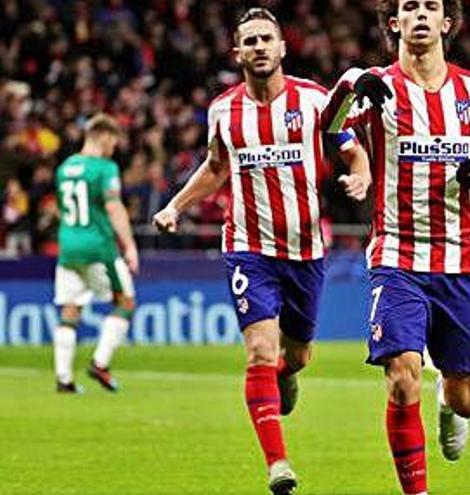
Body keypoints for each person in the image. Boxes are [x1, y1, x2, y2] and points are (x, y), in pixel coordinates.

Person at [152, 8, 369, 495]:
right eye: (249, 41)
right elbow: (215, 167)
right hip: (249, 248)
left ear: (282, 47)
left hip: (307, 250)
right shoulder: (223, 111)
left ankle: (287, 374)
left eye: (266, 39)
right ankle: (278, 464)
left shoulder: (316, 101)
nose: (259, 47)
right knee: (258, 353)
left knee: (295, 355)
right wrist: (176, 205)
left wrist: (361, 175)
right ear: (238, 53)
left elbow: (351, 148)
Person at [324, 1, 470, 492]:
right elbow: (330, 129)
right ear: (395, 23)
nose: (422, 14)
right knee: (403, 375)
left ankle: (450, 403)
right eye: (411, 7)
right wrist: (348, 87)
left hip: (462, 260)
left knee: (469, 396)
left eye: (432, 6)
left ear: (447, 23)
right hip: (397, 258)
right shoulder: (378, 87)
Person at [53, 113, 138, 394]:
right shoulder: (104, 168)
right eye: (113, 139)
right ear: (102, 135)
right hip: (98, 248)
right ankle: (100, 364)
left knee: (70, 309)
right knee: (125, 302)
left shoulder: (65, 167)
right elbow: (113, 207)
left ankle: (64, 379)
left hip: (68, 246)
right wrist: (129, 246)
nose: (115, 146)